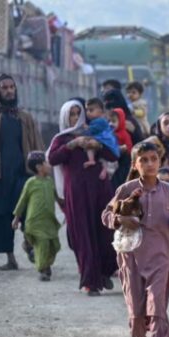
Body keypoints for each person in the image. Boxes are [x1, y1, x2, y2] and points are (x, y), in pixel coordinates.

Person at [102, 141, 169, 337]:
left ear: (160, 161)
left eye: (153, 159)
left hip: (160, 258)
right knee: (136, 310)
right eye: (144, 160)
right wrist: (120, 220)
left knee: (157, 307)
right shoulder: (126, 189)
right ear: (135, 164)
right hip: (130, 258)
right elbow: (106, 215)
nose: (150, 164)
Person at [48, 101, 119, 295]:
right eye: (71, 114)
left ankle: (104, 271)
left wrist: (98, 144)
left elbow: (113, 155)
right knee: (83, 235)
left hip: (101, 190)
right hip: (77, 194)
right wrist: (72, 145)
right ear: (65, 116)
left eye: (78, 113)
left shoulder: (94, 132)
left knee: (105, 232)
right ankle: (91, 281)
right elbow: (52, 159)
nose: (75, 118)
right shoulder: (62, 139)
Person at [0, 74, 43, 271]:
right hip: (0, 176)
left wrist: (40, 169)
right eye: (4, 88)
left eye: (11, 87)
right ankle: (10, 258)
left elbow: (37, 144)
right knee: (3, 216)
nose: (9, 91)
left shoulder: (25, 117)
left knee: (28, 214)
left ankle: (30, 246)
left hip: (24, 174)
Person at [11, 152, 60, 280]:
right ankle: (43, 269)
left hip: (49, 221)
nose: (49, 165)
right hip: (35, 221)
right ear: (39, 167)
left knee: (55, 245)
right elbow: (22, 201)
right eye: (46, 163)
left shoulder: (50, 182)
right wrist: (16, 218)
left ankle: (39, 257)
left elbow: (57, 198)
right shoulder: (31, 183)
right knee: (42, 244)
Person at [81, 99, 120, 180]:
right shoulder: (99, 121)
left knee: (89, 145)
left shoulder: (100, 121)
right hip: (106, 145)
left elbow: (92, 130)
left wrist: (86, 128)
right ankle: (104, 169)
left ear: (101, 111)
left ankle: (91, 160)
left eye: (91, 110)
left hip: (106, 143)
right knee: (103, 157)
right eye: (87, 110)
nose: (88, 112)